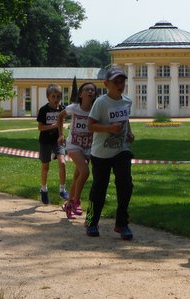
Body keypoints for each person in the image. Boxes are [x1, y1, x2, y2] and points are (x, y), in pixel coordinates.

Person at [84, 67, 135, 240]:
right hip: (101, 153)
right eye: (116, 82)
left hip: (122, 150)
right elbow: (90, 125)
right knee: (99, 188)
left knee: (126, 185)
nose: (120, 85)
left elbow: (125, 119)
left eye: (122, 81)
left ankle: (122, 224)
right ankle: (91, 221)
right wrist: (109, 128)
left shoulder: (127, 101)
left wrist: (129, 132)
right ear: (106, 84)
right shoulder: (101, 102)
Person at [57, 82, 96, 219]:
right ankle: (76, 201)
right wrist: (61, 134)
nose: (90, 91)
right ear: (80, 94)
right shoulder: (74, 108)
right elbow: (60, 116)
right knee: (85, 172)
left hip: (88, 147)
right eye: (86, 89)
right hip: (73, 145)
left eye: (92, 90)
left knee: (76, 177)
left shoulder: (95, 110)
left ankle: (68, 205)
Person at [36, 84, 68, 205]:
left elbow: (65, 121)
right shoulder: (44, 110)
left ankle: (62, 189)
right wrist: (53, 125)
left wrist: (62, 134)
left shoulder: (63, 109)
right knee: (45, 167)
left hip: (58, 140)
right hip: (45, 141)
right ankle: (44, 189)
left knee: (62, 162)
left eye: (59, 96)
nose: (56, 99)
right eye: (53, 96)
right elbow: (40, 127)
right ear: (48, 97)